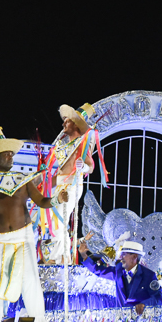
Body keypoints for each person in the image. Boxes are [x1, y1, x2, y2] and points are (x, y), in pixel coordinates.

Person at [0, 126, 65, 322]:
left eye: (12, 152)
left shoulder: (23, 180)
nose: (11, 156)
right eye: (6, 153)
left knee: (31, 278)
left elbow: (42, 201)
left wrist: (57, 198)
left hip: (25, 236)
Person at [44, 103, 98, 264]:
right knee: (53, 221)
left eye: (66, 121)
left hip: (72, 184)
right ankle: (61, 256)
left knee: (60, 220)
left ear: (75, 124)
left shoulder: (82, 143)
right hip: (59, 183)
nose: (63, 124)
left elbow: (91, 166)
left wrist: (84, 168)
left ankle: (59, 257)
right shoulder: (61, 145)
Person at [79, 237, 162, 315]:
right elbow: (97, 270)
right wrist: (84, 255)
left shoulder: (148, 275)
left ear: (134, 256)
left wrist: (144, 304)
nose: (120, 257)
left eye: (124, 254)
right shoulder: (118, 270)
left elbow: (160, 297)